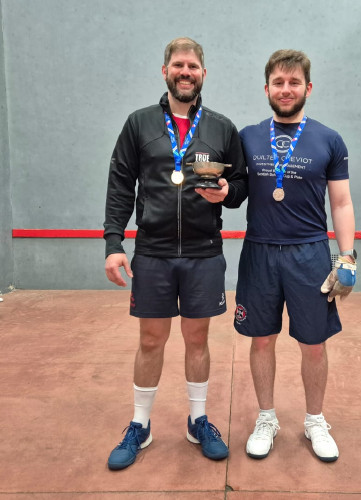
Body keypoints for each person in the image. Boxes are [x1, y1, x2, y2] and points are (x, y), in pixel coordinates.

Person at [103, 37, 248, 470]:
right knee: (151, 340)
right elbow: (120, 184)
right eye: (178, 65)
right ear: (165, 71)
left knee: (197, 339)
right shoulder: (139, 123)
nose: (186, 72)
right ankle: (140, 424)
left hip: (204, 252)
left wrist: (227, 192)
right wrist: (114, 243)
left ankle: (198, 420)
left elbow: (241, 184)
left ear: (204, 73)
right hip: (153, 252)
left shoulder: (221, 127)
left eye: (193, 66)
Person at [234, 49, 356, 463]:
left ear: (308, 87)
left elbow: (341, 203)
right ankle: (266, 419)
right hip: (259, 252)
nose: (286, 90)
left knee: (314, 344)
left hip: (310, 254)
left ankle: (315, 420)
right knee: (261, 340)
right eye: (278, 83)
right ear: (266, 88)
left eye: (294, 82)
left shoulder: (329, 139)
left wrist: (347, 257)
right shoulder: (248, 137)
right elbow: (234, 190)